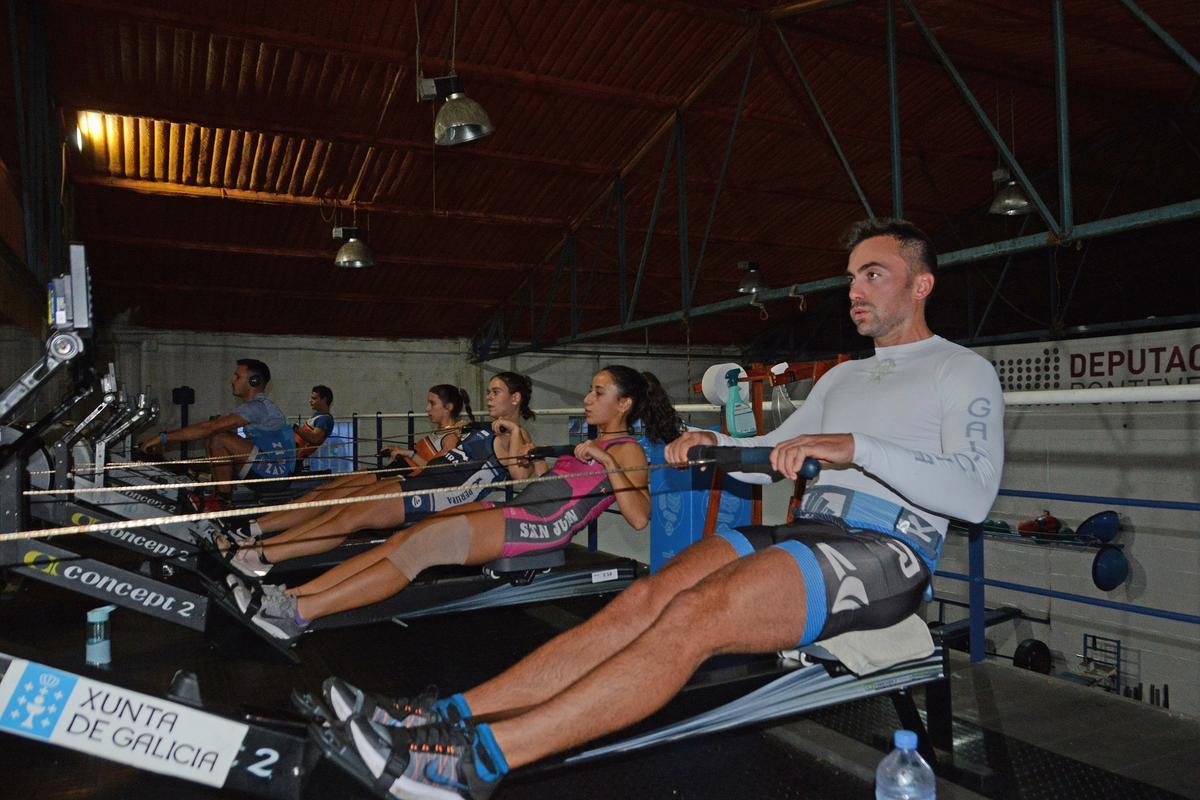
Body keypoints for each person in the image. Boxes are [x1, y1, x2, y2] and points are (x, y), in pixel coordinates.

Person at [307, 218, 1005, 799]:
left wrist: (859, 446)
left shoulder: (960, 370)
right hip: (813, 527)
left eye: (873, 274)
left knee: (696, 618)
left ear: (920, 284)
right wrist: (713, 442)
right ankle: (445, 718)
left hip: (888, 549)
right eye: (851, 274)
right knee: (644, 602)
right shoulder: (847, 375)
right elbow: (769, 452)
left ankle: (472, 763)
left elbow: (973, 497)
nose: (854, 289)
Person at [241, 366, 683, 646]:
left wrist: (605, 461)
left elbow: (640, 517)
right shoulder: (590, 442)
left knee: (418, 551)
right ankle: (292, 594)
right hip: (520, 509)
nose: (587, 398)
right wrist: (515, 446)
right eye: (590, 390)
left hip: (537, 528)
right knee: (402, 539)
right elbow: (523, 478)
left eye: (598, 392)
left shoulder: (626, 450)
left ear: (624, 404)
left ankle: (298, 616)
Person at [225, 376, 533, 578]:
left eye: (496, 392)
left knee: (344, 518)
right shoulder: (483, 428)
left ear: (515, 398)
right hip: (426, 483)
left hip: (438, 494)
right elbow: (444, 461)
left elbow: (524, 473)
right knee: (337, 508)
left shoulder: (514, 435)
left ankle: (262, 555)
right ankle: (258, 547)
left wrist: (517, 433)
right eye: (489, 392)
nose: (489, 397)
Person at [240, 384, 480, 545]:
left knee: (330, 501)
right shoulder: (445, 431)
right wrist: (400, 451)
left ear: (448, 408)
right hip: (391, 471)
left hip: (396, 480)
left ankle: (260, 533)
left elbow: (439, 472)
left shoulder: (451, 436)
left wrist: (406, 452)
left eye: (432, 403)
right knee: (323, 492)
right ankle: (256, 526)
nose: (427, 409)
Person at [137, 359, 295, 511]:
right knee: (215, 436)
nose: (232, 381)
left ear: (254, 381)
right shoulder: (253, 408)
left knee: (218, 437)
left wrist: (162, 437)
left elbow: (210, 428)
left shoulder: (257, 407)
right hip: (268, 468)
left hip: (275, 474)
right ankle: (217, 492)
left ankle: (223, 501)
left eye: (237, 376)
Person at [293, 384, 335, 466]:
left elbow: (314, 438)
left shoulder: (325, 419)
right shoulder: (317, 415)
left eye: (314, 398)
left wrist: (295, 428)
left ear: (324, 400)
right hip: (293, 454)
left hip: (295, 457)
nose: (310, 401)